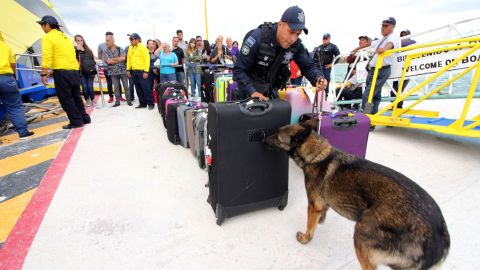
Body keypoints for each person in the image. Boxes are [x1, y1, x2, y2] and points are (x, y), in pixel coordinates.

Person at [233, 6, 327, 101]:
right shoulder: (257, 38)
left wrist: (318, 79)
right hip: (247, 94)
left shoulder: (297, 45)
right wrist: (253, 92)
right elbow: (239, 69)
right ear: (280, 24)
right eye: (291, 32)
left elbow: (308, 67)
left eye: (298, 34)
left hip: (270, 93)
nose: (293, 39)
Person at [37, 15, 91, 129]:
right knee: (76, 96)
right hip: (74, 71)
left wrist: (43, 73)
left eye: (42, 25)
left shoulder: (47, 37)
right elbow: (71, 54)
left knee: (66, 98)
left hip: (62, 73)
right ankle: (84, 118)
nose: (42, 28)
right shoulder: (66, 37)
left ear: (46, 25)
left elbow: (47, 56)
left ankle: (76, 121)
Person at [361, 17, 401, 116]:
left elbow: (390, 44)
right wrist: (357, 48)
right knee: (375, 95)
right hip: (373, 70)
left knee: (368, 94)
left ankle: (365, 116)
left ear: (393, 27)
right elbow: (370, 44)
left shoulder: (393, 37)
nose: (383, 28)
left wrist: (384, 49)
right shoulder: (382, 39)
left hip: (381, 69)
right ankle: (372, 117)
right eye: (382, 25)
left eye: (386, 26)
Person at [0, 37, 34, 139]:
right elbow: (13, 65)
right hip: (6, 78)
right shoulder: (5, 46)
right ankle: (23, 132)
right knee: (15, 107)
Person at [126, 33, 154, 110]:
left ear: (137, 40)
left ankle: (150, 103)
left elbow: (147, 60)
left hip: (142, 71)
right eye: (130, 39)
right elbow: (129, 59)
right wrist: (128, 69)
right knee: (138, 88)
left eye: (131, 39)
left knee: (146, 88)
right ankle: (142, 103)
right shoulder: (130, 48)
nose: (130, 41)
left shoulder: (143, 48)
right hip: (134, 71)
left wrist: (146, 71)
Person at [391, 29, 417, 109]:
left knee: (400, 89)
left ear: (409, 35)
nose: (402, 36)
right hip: (397, 69)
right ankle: (394, 106)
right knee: (393, 89)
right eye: (401, 35)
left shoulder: (412, 42)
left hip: (406, 69)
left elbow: (407, 43)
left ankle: (398, 107)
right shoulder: (398, 44)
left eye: (405, 34)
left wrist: (394, 44)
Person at [105, 33, 131, 107]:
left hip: (122, 71)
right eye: (106, 41)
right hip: (113, 72)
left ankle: (128, 101)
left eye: (108, 41)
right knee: (116, 88)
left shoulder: (120, 48)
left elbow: (123, 58)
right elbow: (108, 61)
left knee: (126, 87)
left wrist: (113, 59)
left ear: (113, 40)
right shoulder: (106, 51)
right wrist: (118, 59)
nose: (107, 42)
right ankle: (117, 102)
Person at [74, 34, 96, 107]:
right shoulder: (74, 51)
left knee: (90, 86)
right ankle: (87, 100)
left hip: (89, 71)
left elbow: (93, 61)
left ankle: (93, 99)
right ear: (75, 41)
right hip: (81, 72)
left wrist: (94, 71)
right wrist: (77, 50)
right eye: (78, 40)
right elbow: (74, 61)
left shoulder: (88, 50)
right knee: (84, 87)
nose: (80, 42)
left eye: (81, 40)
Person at [98, 32, 115, 103]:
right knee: (109, 83)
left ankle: (120, 96)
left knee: (117, 83)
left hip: (115, 67)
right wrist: (105, 60)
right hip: (106, 67)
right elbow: (99, 56)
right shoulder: (101, 45)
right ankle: (111, 97)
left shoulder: (115, 45)